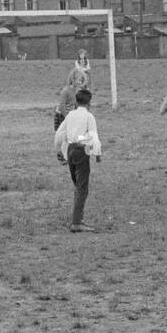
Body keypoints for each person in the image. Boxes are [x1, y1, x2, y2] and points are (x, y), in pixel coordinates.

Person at [54, 87, 102, 232]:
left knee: (78, 185)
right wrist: (97, 153)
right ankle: (76, 222)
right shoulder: (89, 116)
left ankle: (78, 217)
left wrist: (58, 152)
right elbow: (93, 136)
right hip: (82, 151)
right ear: (89, 103)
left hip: (70, 150)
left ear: (76, 101)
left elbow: (59, 134)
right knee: (82, 187)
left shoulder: (70, 115)